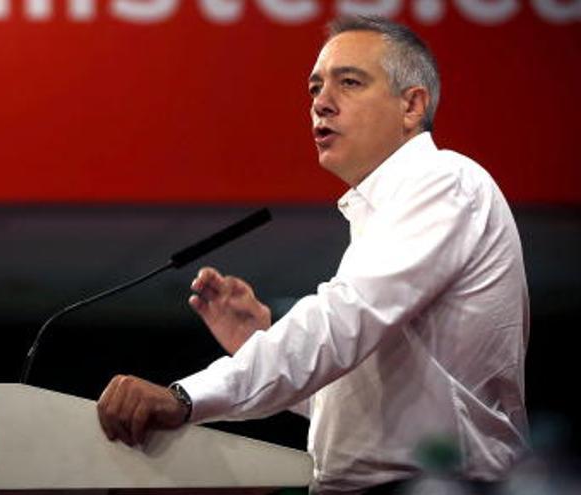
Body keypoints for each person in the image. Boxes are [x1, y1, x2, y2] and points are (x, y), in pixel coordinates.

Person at [96, 15, 530, 495]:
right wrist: (257, 338)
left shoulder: (444, 180)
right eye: (315, 88)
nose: (321, 103)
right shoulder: (386, 211)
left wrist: (186, 396)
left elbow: (342, 320)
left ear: (411, 105)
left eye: (349, 83)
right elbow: (367, 395)